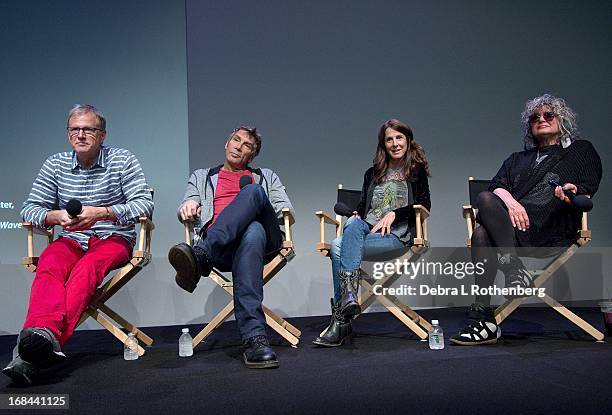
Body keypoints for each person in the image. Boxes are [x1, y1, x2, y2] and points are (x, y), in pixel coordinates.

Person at [2, 104, 154, 384]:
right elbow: (28, 209)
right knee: (49, 263)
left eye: (89, 129)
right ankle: (42, 343)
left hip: (113, 238)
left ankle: (27, 355)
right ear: (68, 133)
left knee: (86, 269)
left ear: (103, 135)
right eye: (75, 129)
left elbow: (144, 204)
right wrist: (54, 215)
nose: (81, 134)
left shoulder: (122, 160)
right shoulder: (55, 164)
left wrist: (102, 212)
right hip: (71, 238)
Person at [451, 94, 602, 346]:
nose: (541, 119)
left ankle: (484, 316)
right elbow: (496, 186)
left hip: (551, 228)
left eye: (548, 115)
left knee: (481, 230)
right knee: (484, 212)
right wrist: (511, 203)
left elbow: (586, 190)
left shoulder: (580, 150)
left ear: (561, 119)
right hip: (510, 233)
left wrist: (571, 192)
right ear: (528, 126)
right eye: (535, 117)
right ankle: (508, 277)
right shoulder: (516, 159)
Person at [168, 126, 294, 369]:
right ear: (227, 144)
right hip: (227, 249)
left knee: (254, 195)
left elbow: (285, 208)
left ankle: (201, 254)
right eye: (236, 140)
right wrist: (190, 204)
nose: (239, 146)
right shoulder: (202, 176)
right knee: (251, 231)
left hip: (266, 243)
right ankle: (255, 339)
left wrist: (257, 201)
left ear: (252, 156)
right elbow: (187, 201)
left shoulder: (265, 176)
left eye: (247, 145)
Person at [313, 119, 431, 347]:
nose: (395, 143)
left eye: (399, 138)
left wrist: (395, 214)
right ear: (383, 144)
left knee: (338, 245)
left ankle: (341, 319)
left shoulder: (415, 171)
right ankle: (348, 300)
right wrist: (357, 215)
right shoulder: (372, 173)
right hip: (368, 232)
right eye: (389, 139)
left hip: (398, 236)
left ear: (408, 140)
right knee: (353, 225)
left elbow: (425, 204)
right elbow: (364, 207)